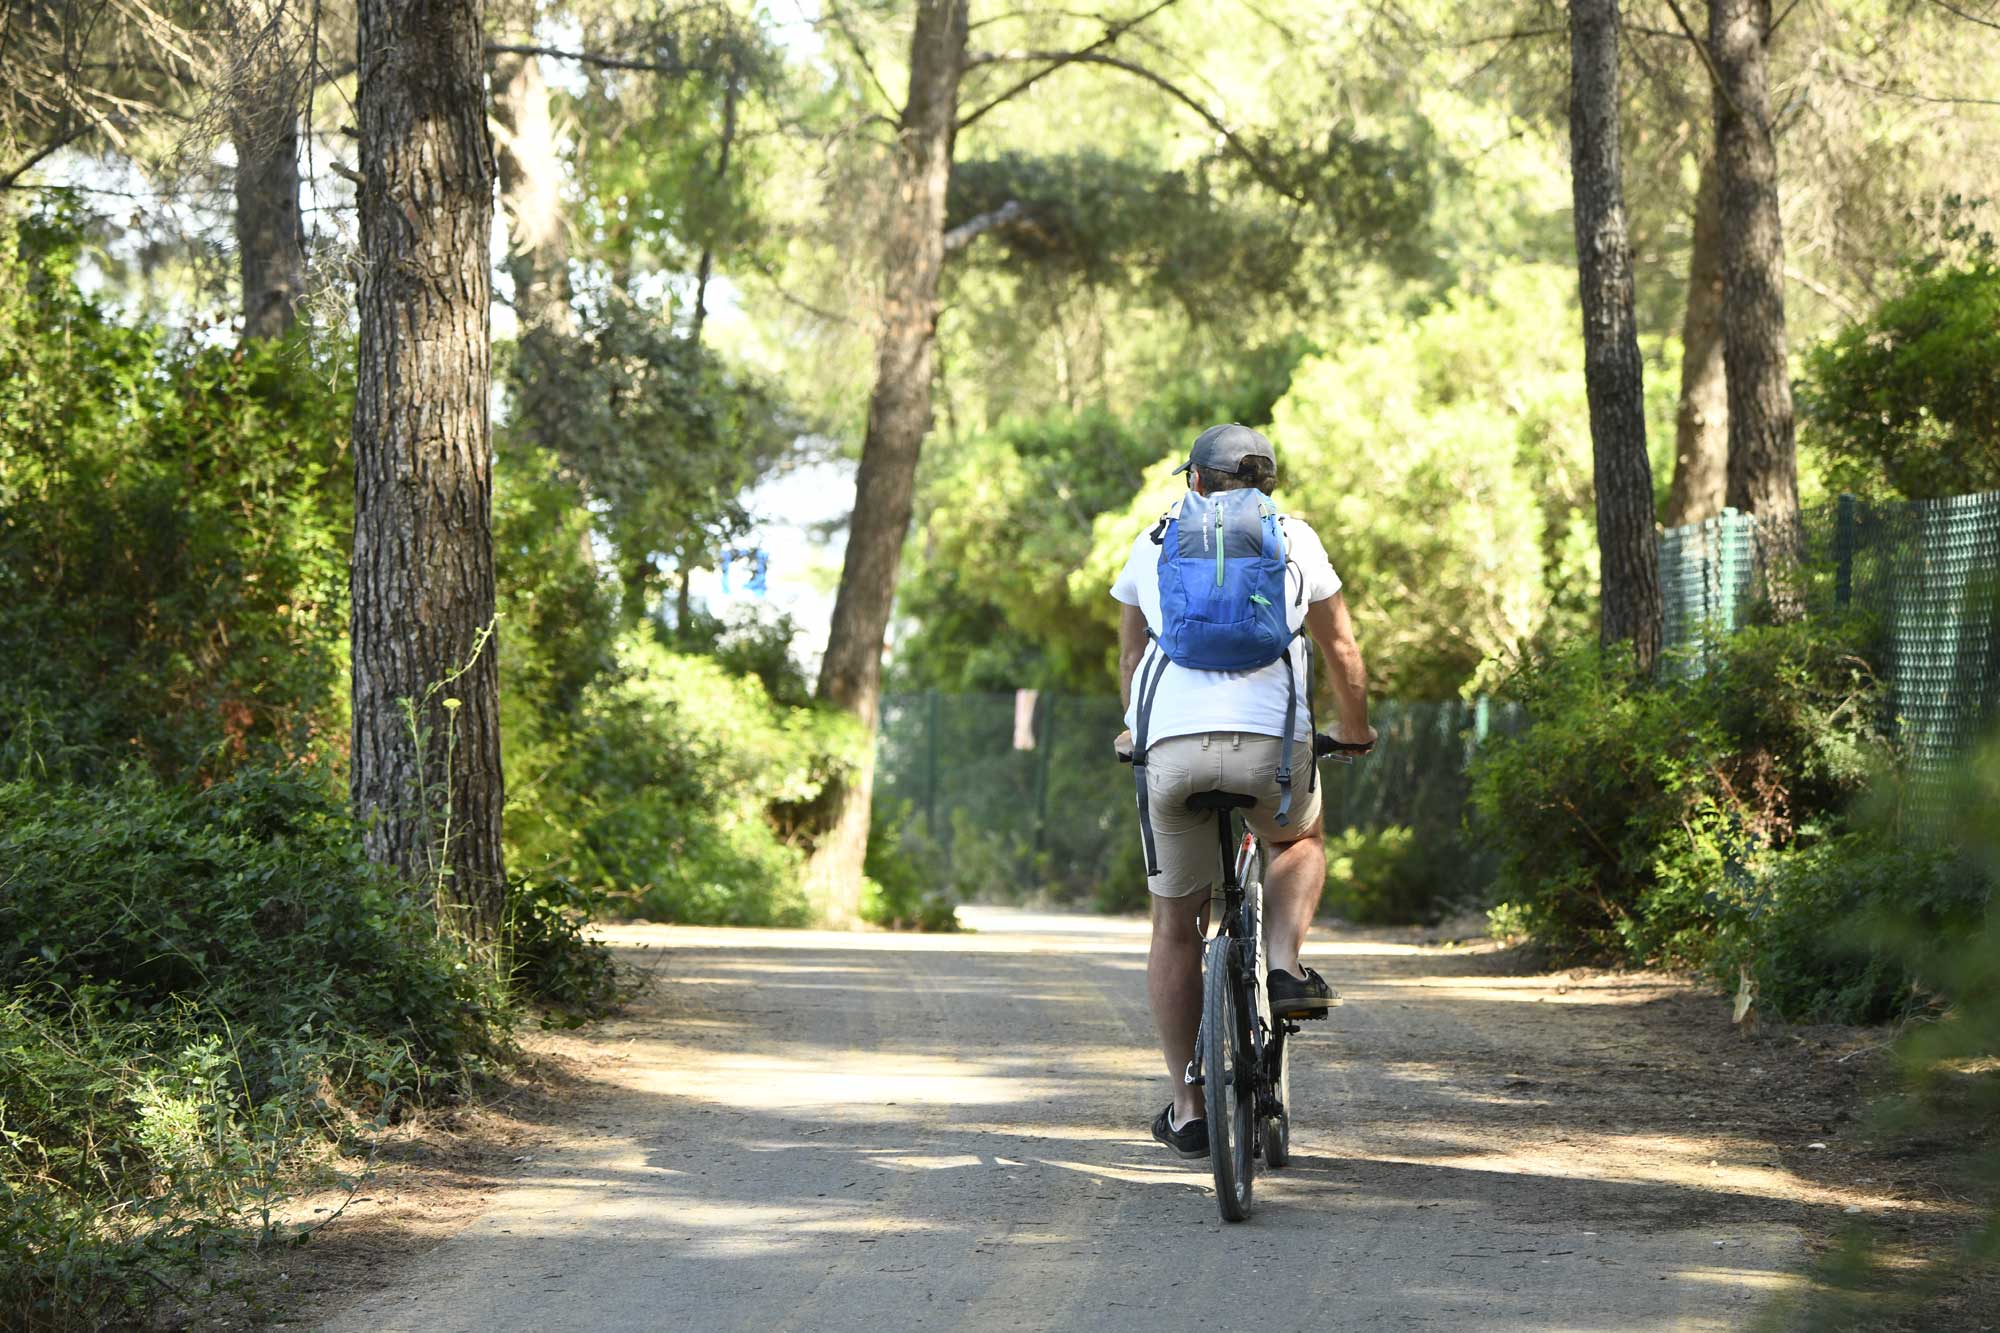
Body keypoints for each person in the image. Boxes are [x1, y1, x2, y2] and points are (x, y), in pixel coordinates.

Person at [1110, 423, 1374, 1159]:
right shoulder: (1295, 538)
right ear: (1266, 485)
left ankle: (1188, 1106)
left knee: (1173, 924)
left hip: (1171, 751)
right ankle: (1285, 965)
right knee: (1297, 842)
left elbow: (1134, 654)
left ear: (1193, 481)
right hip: (1272, 751)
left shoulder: (1153, 542)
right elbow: (1342, 649)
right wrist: (1355, 728)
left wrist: (1134, 729)